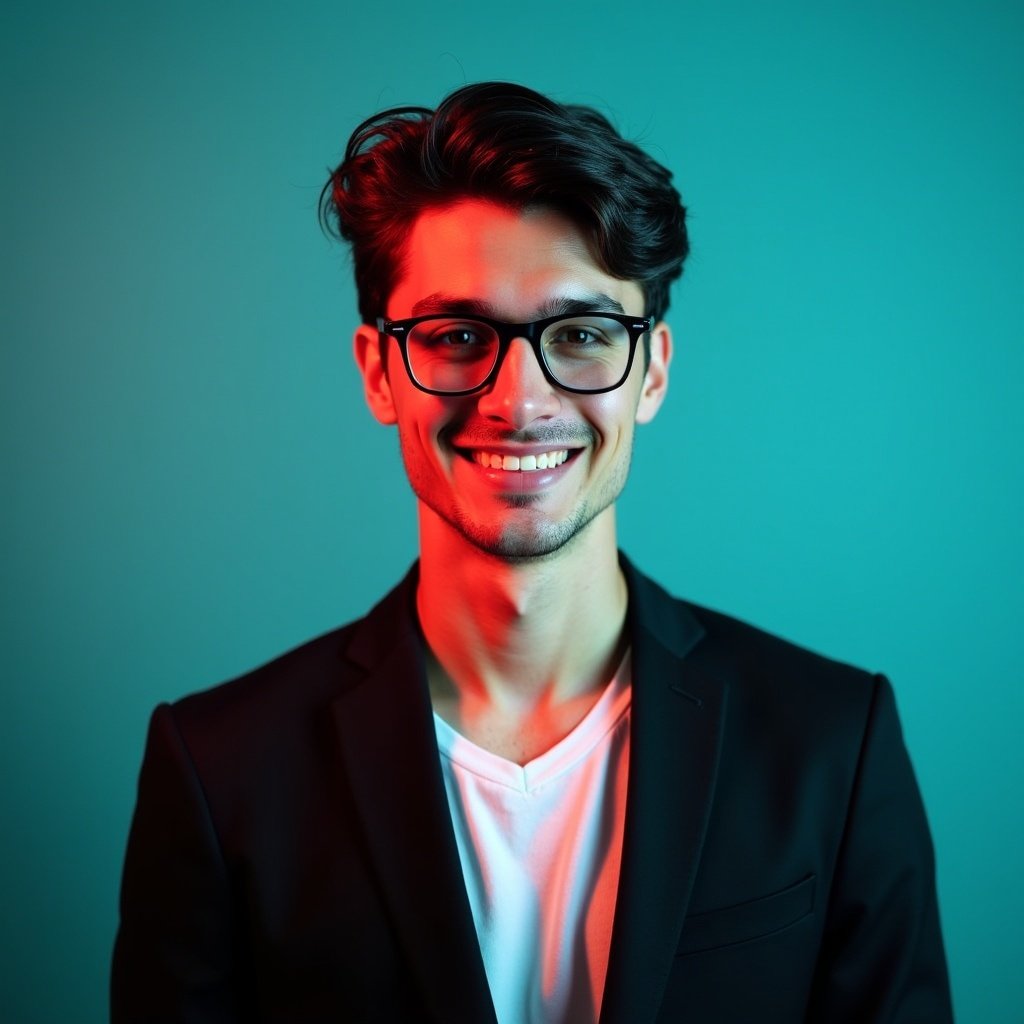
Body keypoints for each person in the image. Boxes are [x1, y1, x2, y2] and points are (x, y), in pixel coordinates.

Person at [111, 82, 953, 1023]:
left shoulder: (834, 744)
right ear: (379, 372)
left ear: (654, 373)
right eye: (457, 335)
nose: (518, 399)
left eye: (583, 335)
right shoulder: (220, 768)